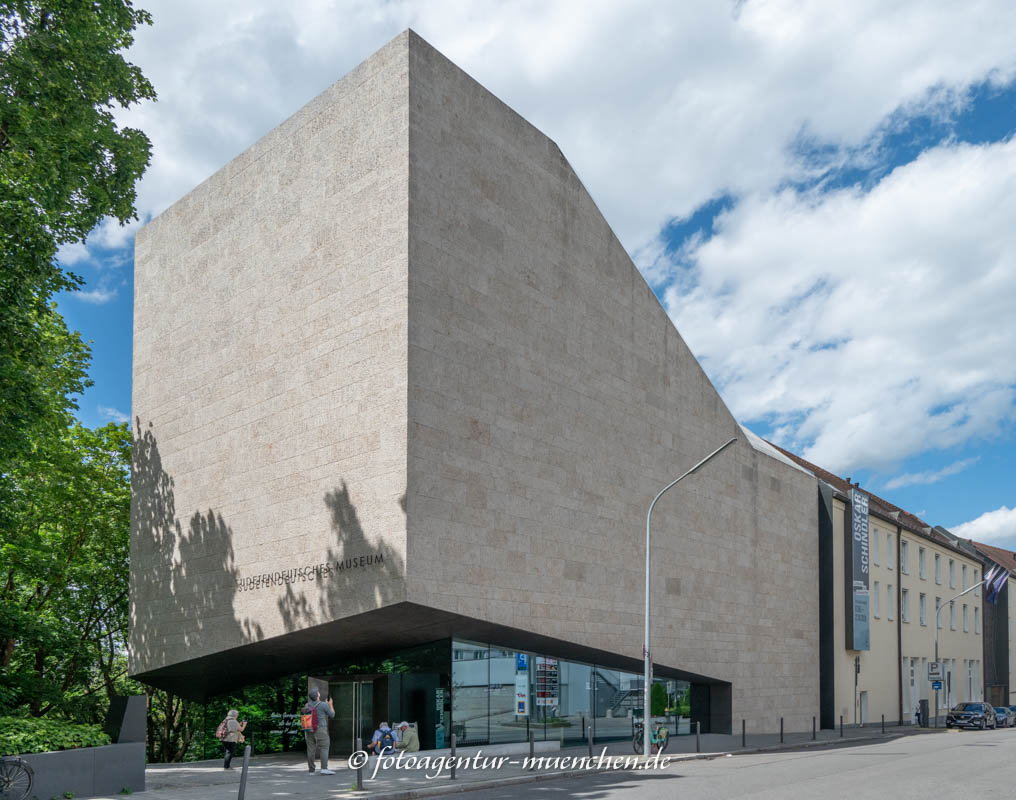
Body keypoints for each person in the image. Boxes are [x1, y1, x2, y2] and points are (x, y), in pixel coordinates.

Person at [303, 687, 336, 775]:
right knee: (324, 748)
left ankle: (311, 770)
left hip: (308, 730)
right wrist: (330, 704)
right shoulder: (323, 705)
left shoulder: (307, 705)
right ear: (318, 695)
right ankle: (324, 769)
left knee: (310, 750)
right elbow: (332, 715)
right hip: (320, 730)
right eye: (318, 692)